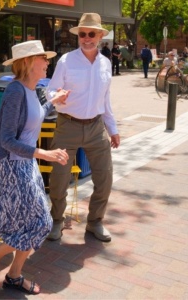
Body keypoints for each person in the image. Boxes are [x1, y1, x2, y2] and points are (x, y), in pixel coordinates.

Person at [0, 40, 69, 294]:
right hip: (13, 168)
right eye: (42, 58)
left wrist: (53, 102)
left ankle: (13, 274)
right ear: (27, 63)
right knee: (41, 223)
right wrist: (43, 152)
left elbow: (33, 117)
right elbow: (7, 140)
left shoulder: (32, 89)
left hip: (27, 165)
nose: (47, 62)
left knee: (32, 223)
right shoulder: (14, 91)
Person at [46, 12, 120, 242]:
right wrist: (57, 97)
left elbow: (105, 100)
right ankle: (56, 220)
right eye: (82, 34)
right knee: (59, 180)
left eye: (91, 34)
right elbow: (51, 90)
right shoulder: (66, 61)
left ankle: (95, 222)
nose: (86, 38)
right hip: (67, 126)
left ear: (100, 36)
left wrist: (113, 129)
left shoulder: (106, 63)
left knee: (105, 178)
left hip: (96, 127)